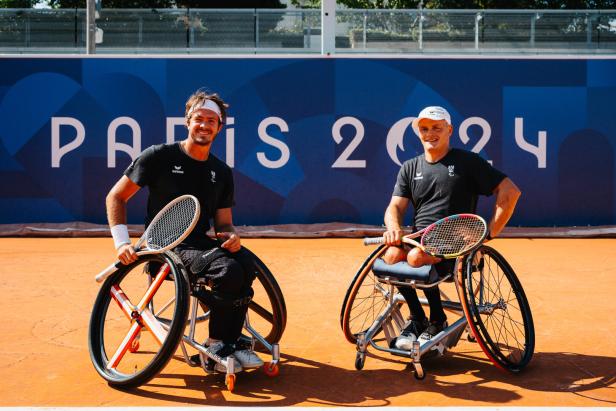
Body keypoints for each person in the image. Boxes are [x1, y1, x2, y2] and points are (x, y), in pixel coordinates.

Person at [105, 88, 263, 373]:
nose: (204, 125)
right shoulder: (158, 156)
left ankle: (230, 338)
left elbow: (224, 224)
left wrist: (231, 236)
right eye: (198, 119)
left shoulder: (222, 172)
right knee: (228, 271)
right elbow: (115, 197)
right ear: (187, 121)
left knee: (245, 264)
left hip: (200, 245)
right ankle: (217, 345)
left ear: (219, 127)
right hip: (163, 247)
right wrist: (121, 243)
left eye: (211, 121)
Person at [382, 106, 521, 350]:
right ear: (418, 133)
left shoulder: (467, 162)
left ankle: (437, 320)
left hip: (457, 244)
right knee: (392, 256)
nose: (430, 133)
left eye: (437, 128)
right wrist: (393, 227)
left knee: (415, 258)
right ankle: (417, 320)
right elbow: (394, 206)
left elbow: (510, 191)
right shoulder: (410, 167)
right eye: (424, 129)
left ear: (449, 130)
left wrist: (488, 233)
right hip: (421, 240)